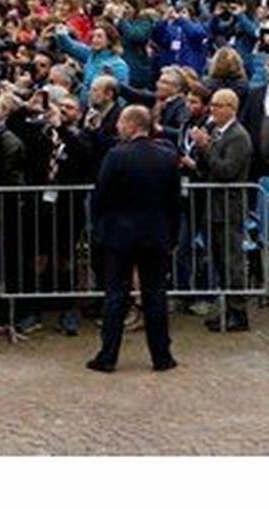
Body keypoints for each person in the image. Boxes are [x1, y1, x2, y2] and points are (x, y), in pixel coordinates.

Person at [86, 104, 180, 373]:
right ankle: (162, 356)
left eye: (120, 123)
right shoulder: (166, 156)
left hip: (120, 235)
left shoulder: (116, 156)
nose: (117, 127)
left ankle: (108, 355)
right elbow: (174, 201)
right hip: (156, 234)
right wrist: (173, 234)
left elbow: (101, 196)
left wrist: (100, 229)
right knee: (155, 295)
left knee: (116, 295)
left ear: (131, 125)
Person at [189, 88, 253, 332]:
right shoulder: (217, 132)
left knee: (231, 261)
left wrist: (205, 147)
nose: (212, 109)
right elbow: (209, 169)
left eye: (217, 105)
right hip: (214, 205)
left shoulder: (238, 136)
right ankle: (227, 309)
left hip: (229, 207)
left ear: (231, 108)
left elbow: (226, 171)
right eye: (212, 105)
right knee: (219, 261)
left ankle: (238, 312)